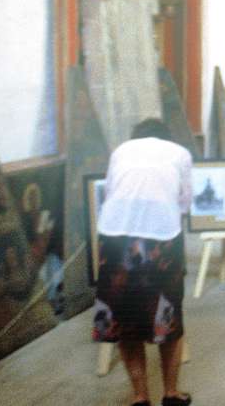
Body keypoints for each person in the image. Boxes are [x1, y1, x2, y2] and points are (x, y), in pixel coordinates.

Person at [94, 118, 193, 406]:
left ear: (136, 136)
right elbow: (185, 202)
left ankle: (140, 397)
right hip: (162, 238)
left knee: (125, 320)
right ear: (166, 137)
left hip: (115, 238)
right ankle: (171, 394)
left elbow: (110, 193)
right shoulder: (179, 153)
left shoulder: (121, 151)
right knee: (168, 317)